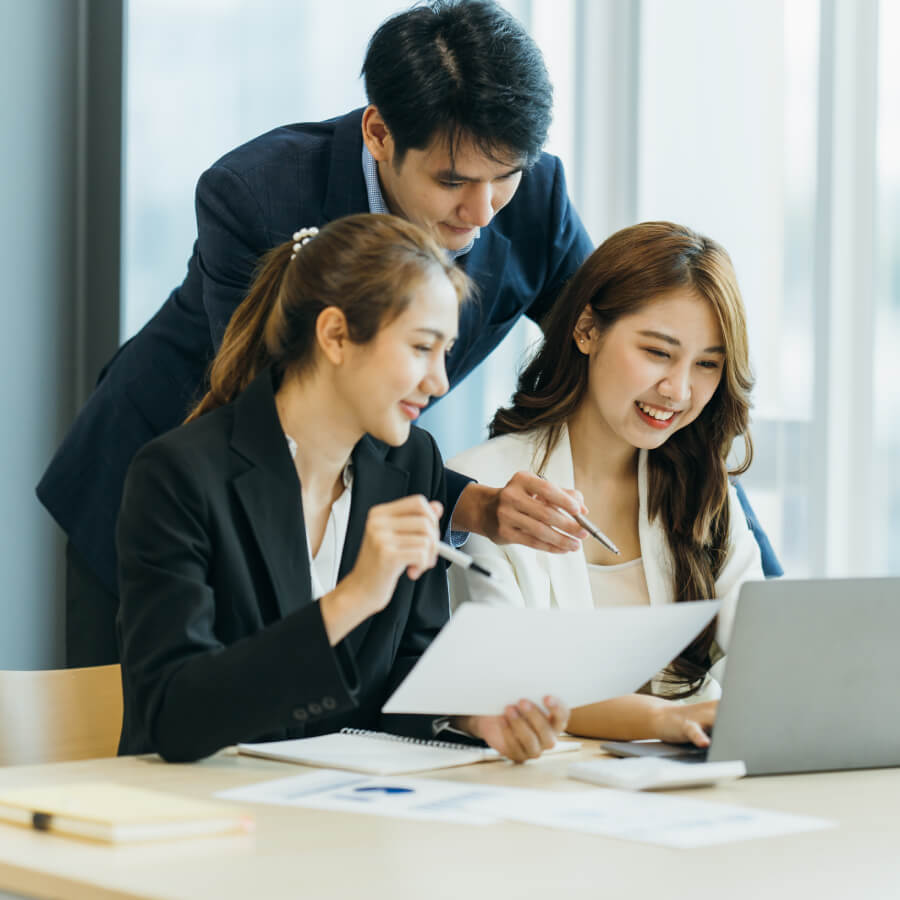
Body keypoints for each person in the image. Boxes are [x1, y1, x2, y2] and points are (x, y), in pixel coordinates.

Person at [37, 0, 779, 668]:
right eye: (453, 181)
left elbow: (622, 361)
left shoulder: (535, 200)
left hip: (334, 509)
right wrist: (474, 503)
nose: (483, 210)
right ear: (380, 132)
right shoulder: (258, 194)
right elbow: (277, 409)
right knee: (145, 739)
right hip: (164, 486)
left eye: (506, 175)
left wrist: (762, 581)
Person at [116, 214, 569, 763]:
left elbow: (405, 669)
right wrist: (353, 598)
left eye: (446, 352)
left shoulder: (412, 463)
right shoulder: (178, 475)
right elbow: (173, 717)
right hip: (203, 814)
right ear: (334, 335)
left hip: (342, 813)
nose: (440, 381)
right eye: (422, 348)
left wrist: (469, 713)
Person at [448, 222, 765, 749]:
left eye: (707, 364)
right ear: (587, 330)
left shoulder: (704, 491)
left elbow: (764, 652)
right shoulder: (485, 491)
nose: (679, 390)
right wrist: (662, 720)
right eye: (658, 352)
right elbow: (508, 685)